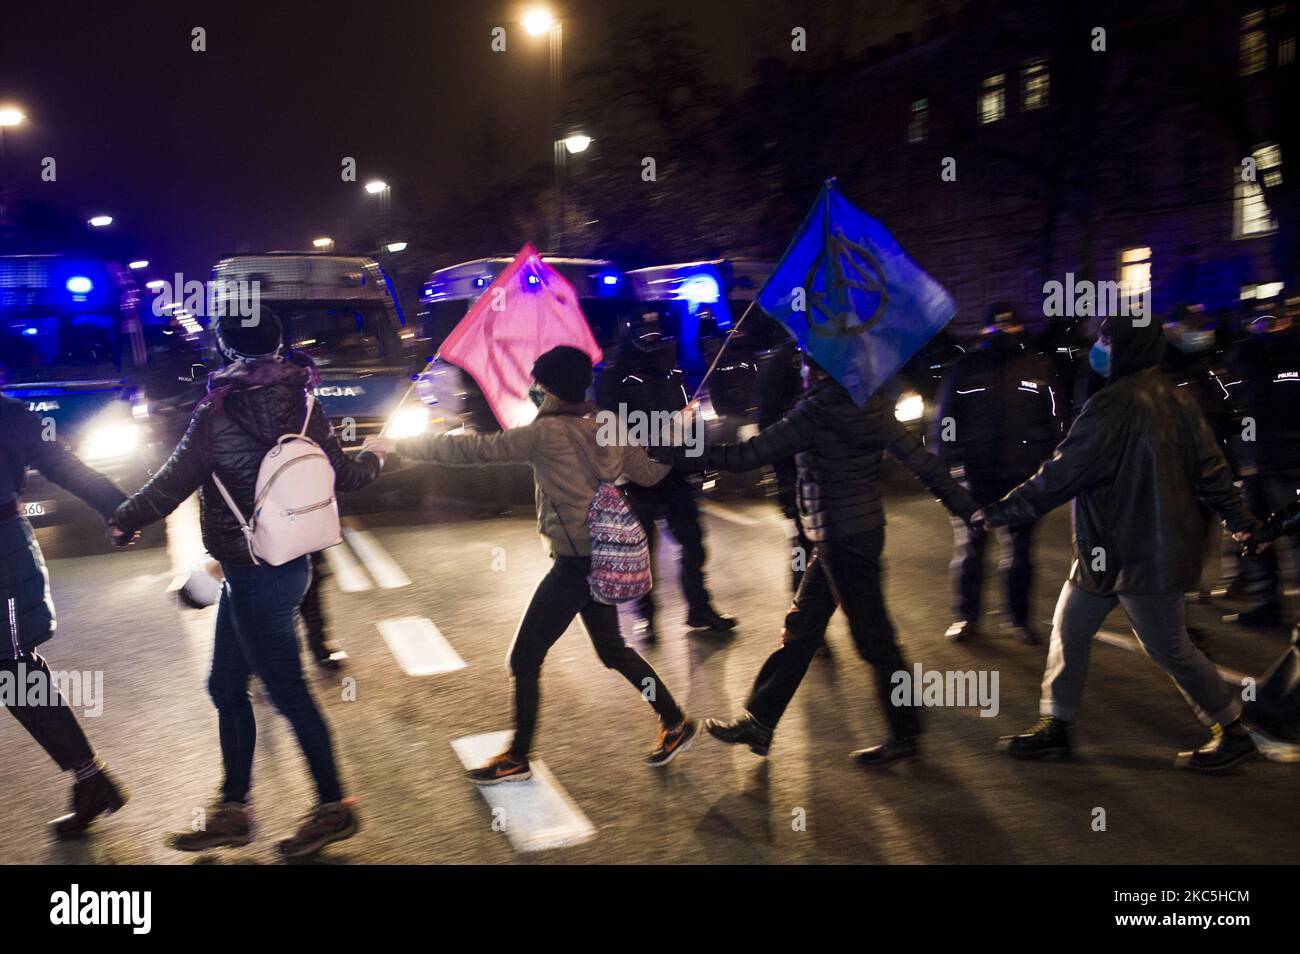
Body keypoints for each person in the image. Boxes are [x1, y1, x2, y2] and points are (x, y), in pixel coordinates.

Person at [110, 309, 383, 858]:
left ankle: (333, 807)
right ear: (279, 345)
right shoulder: (306, 403)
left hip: (255, 571)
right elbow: (345, 476)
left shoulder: (216, 412)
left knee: (288, 694)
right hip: (285, 566)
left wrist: (124, 518)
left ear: (226, 350)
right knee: (226, 687)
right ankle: (233, 810)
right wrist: (376, 457)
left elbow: (172, 481)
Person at [365, 345, 699, 783]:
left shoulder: (543, 434)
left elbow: (474, 451)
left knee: (524, 659)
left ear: (553, 388)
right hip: (602, 553)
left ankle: (518, 756)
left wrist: (399, 445)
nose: (533, 389)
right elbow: (651, 474)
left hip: (576, 563)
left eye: (539, 383)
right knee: (612, 650)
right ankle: (674, 721)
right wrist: (675, 430)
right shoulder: (606, 422)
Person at [656, 353, 979, 766]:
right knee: (802, 629)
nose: (802, 369)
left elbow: (746, 456)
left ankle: (906, 733)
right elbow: (923, 463)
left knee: (874, 639)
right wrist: (968, 509)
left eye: (806, 364)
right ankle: (760, 720)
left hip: (839, 539)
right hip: (854, 533)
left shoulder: (816, 410)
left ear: (818, 369)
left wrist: (684, 449)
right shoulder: (873, 404)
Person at [981, 314, 1261, 772]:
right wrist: (1240, 521)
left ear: (1126, 348)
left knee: (1169, 648)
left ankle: (1232, 729)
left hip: (1138, 555)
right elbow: (1212, 472)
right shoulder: (1180, 400)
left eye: (1107, 342)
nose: (1100, 349)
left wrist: (997, 512)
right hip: (1115, 553)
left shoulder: (1110, 405)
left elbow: (1060, 476)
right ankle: (1057, 725)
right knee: (1068, 630)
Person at [0, 394, 129, 838]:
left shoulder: (7, 414)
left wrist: (120, 509)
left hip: (2, 556)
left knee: (14, 671)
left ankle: (90, 779)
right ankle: (91, 780)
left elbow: (62, 464)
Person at [597, 313, 735, 640]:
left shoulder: (671, 371)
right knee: (642, 551)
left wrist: (699, 458)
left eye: (657, 335)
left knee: (693, 544)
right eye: (646, 335)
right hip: (637, 478)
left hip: (675, 474)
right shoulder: (613, 379)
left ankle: (699, 610)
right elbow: (609, 431)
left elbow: (691, 416)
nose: (653, 341)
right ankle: (646, 617)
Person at [932, 302, 1063, 644]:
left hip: (1025, 475)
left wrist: (1051, 463)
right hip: (977, 476)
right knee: (972, 549)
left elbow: (1054, 422)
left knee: (1021, 553)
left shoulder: (1038, 366)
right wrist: (945, 470)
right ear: (986, 330)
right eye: (1000, 327)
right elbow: (946, 421)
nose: (1006, 333)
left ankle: (1018, 620)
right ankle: (966, 618)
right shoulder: (966, 367)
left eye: (1012, 326)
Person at [1224, 292, 1300, 627]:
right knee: (1256, 534)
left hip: (1286, 463)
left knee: (1293, 536)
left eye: (1275, 318)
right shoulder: (1250, 356)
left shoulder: (1279, 355)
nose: (1269, 326)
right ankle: (1265, 603)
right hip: (1257, 461)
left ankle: (1269, 603)